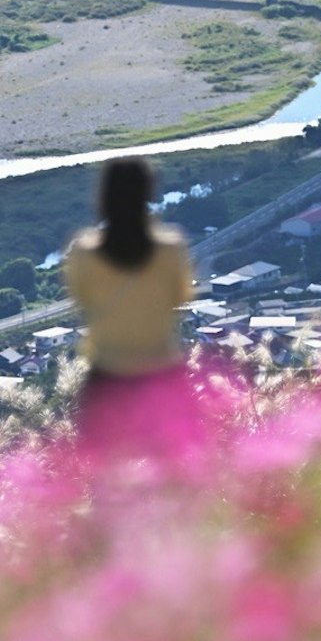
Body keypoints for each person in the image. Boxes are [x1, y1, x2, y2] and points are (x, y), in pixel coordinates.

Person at [64, 159, 195, 444]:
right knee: (176, 473)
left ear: (103, 196)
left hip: (108, 379)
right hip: (163, 376)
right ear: (148, 192)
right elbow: (178, 298)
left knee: (105, 475)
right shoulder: (171, 248)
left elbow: (82, 301)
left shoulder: (83, 252)